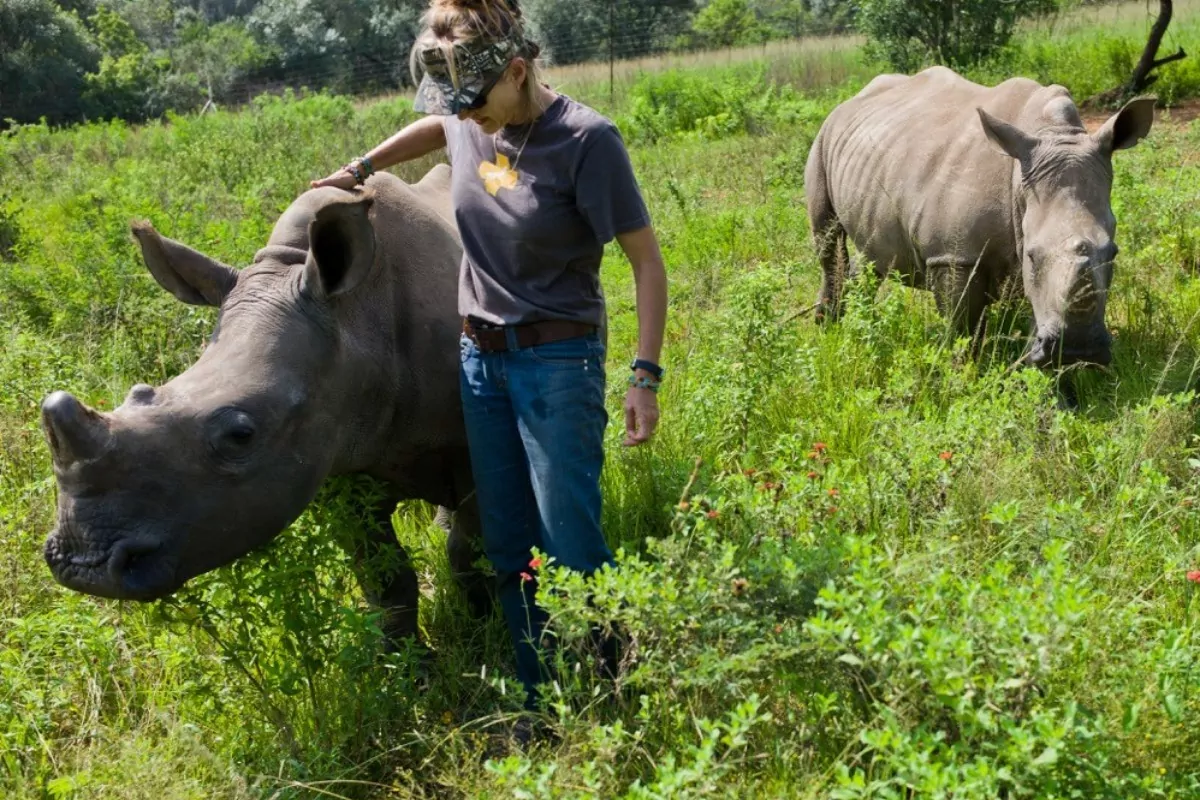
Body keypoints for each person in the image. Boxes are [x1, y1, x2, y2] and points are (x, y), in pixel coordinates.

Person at [311, 0, 669, 721]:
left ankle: (610, 693)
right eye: (455, 108)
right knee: (506, 544)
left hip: (557, 364)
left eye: (474, 105)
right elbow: (435, 125)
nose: (464, 120)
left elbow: (647, 264)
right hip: (480, 361)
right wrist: (361, 166)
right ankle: (540, 700)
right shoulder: (466, 112)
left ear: (517, 70)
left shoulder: (587, 141)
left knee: (569, 539)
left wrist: (644, 375)